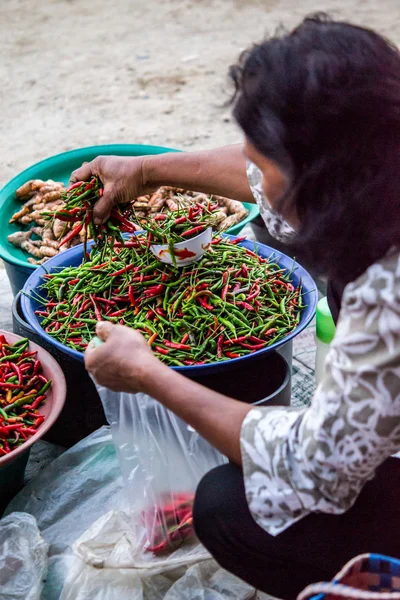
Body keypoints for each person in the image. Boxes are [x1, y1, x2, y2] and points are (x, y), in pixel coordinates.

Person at [77, 14, 400, 599]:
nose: (254, 174)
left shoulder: (390, 292)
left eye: (268, 162)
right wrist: (146, 170)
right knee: (284, 235)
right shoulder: (380, 158)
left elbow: (317, 468)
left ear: (323, 175)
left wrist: (148, 374)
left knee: (226, 507)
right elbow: (265, 176)